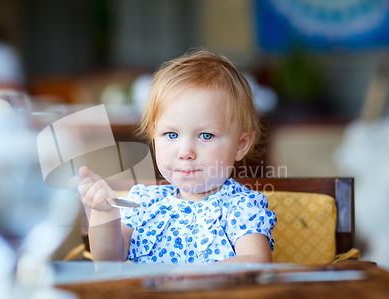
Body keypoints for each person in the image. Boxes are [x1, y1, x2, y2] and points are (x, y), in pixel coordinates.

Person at [74, 50, 276, 264]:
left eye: (206, 135)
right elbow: (109, 261)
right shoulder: (143, 203)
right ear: (154, 137)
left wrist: (193, 277)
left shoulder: (240, 206)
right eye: (171, 135)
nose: (185, 152)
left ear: (240, 145)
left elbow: (256, 261)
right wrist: (104, 212)